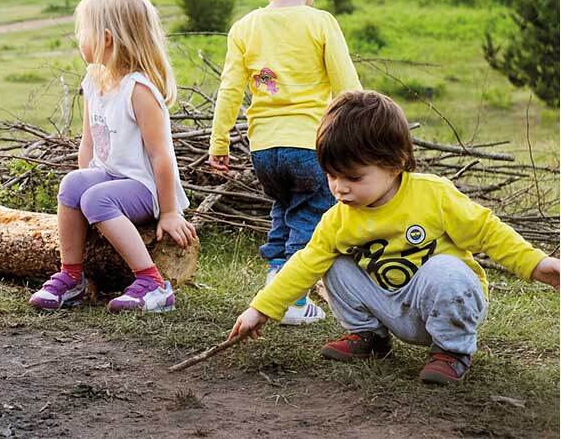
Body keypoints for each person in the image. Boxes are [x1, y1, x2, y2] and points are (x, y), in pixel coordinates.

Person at [229, 90, 560, 384]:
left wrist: (536, 264)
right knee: (328, 261)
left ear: (396, 162)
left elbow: (489, 232)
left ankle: (452, 351)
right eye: (331, 175)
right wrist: (261, 309)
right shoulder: (338, 219)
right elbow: (303, 266)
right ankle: (369, 336)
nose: (339, 188)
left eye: (353, 177)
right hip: (389, 305)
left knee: (446, 270)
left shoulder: (433, 195)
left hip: (441, 303)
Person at [209, 0, 360, 326]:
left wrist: (219, 144)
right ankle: (292, 297)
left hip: (264, 150)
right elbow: (347, 88)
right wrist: (360, 139)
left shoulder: (245, 28)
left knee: (285, 208)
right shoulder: (321, 23)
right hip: (311, 145)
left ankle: (277, 278)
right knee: (314, 217)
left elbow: (229, 91)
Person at [29, 0, 197, 313]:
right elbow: (89, 142)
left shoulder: (139, 90)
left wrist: (169, 211)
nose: (80, 39)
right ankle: (72, 277)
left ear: (106, 38)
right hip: (111, 177)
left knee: (95, 197)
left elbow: (161, 156)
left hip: (146, 189)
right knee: (74, 185)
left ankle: (153, 282)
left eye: (84, 31)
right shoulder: (94, 80)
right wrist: (80, 197)